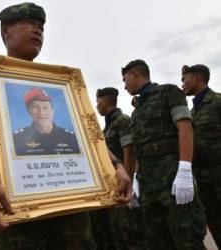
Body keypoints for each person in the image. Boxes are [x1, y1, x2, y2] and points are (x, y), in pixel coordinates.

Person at [0, 3, 132, 249]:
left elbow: (87, 136)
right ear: (6, 32)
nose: (37, 30)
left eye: (41, 27)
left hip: (72, 212)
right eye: (29, 24)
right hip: (19, 216)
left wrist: (116, 165)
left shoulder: (60, 83)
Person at [121, 59, 206, 250]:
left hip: (172, 178)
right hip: (148, 184)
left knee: (187, 237)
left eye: (125, 79)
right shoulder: (135, 114)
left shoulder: (168, 92)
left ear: (135, 74)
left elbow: (185, 128)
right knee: (157, 240)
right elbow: (139, 151)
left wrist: (184, 169)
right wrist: (135, 179)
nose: (124, 85)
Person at [90, 87, 146, 250]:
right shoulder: (106, 128)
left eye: (98, 101)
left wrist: (132, 182)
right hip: (115, 188)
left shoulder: (122, 121)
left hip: (126, 186)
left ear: (106, 101)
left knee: (133, 234)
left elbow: (130, 152)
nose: (97, 105)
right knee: (118, 235)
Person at [181, 64, 221, 248]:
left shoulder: (217, 102)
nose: (182, 83)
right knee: (215, 223)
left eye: (185, 79)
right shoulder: (191, 113)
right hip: (203, 181)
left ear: (197, 78)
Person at [13, 87, 80, 155]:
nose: (41, 112)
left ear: (52, 111)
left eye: (45, 107)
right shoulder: (16, 139)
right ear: (29, 111)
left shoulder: (72, 138)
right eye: (35, 107)